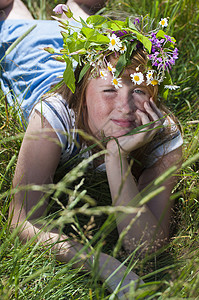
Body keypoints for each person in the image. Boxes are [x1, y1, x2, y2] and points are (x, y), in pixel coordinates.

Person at [1, 0, 183, 298]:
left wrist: (116, 159)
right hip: (34, 60)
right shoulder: (54, 116)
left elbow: (146, 247)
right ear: (83, 94)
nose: (124, 108)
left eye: (138, 89)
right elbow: (22, 221)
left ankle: (75, 9)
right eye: (110, 90)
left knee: (76, 30)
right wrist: (103, 264)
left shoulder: (163, 134)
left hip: (84, 58)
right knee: (15, 22)